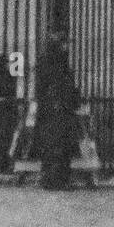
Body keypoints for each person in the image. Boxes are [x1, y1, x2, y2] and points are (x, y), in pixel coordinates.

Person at [34, 30, 82, 190]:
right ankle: (55, 180)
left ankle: (56, 179)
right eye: (64, 43)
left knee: (59, 145)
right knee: (56, 146)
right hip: (55, 111)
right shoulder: (51, 61)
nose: (67, 46)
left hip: (59, 109)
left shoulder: (56, 60)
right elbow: (50, 86)